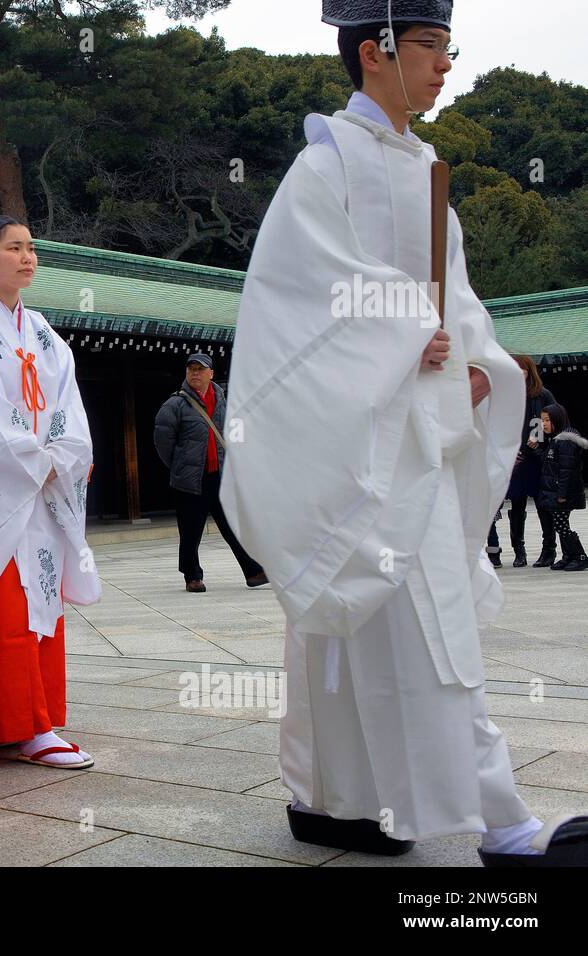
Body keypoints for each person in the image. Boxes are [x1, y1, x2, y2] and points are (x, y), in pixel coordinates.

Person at [221, 0, 588, 865]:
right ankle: (499, 823)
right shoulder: (326, 165)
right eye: (429, 45)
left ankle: (332, 799)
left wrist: (474, 364)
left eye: (447, 47)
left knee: (370, 626)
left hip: (421, 422)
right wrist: (393, 332)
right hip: (366, 432)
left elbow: (456, 306)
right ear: (373, 49)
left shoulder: (428, 168)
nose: (445, 63)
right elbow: (291, 300)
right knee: (426, 624)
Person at [0, 215, 101, 767]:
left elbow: (68, 409)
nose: (28, 257)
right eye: (14, 248)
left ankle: (29, 720)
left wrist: (63, 457)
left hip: (42, 489)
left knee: (39, 604)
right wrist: (35, 458)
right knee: (0, 609)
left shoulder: (46, 337)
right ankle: (17, 725)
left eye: (31, 248)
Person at [154, 354, 267, 593]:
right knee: (190, 530)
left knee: (232, 526)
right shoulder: (175, 404)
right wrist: (179, 466)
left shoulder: (225, 402)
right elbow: (162, 440)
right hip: (191, 479)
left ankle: (253, 571)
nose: (195, 373)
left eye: (200, 369)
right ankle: (192, 576)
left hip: (221, 476)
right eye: (191, 369)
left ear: (211, 373)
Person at [487, 356, 557, 568]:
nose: (519, 372)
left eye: (522, 369)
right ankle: (519, 551)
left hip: (537, 458)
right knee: (516, 506)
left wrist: (531, 448)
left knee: (544, 507)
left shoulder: (542, 395)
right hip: (514, 459)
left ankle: (549, 550)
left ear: (529, 371)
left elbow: (552, 421)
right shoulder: (504, 394)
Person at [535, 404, 587, 572]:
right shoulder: (556, 439)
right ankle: (568, 556)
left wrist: (562, 494)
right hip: (557, 492)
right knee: (560, 524)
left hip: (563, 493)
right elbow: (549, 463)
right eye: (542, 420)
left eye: (547, 420)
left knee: (562, 525)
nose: (544, 424)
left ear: (557, 419)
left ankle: (579, 556)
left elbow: (567, 471)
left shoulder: (565, 441)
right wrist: (536, 449)